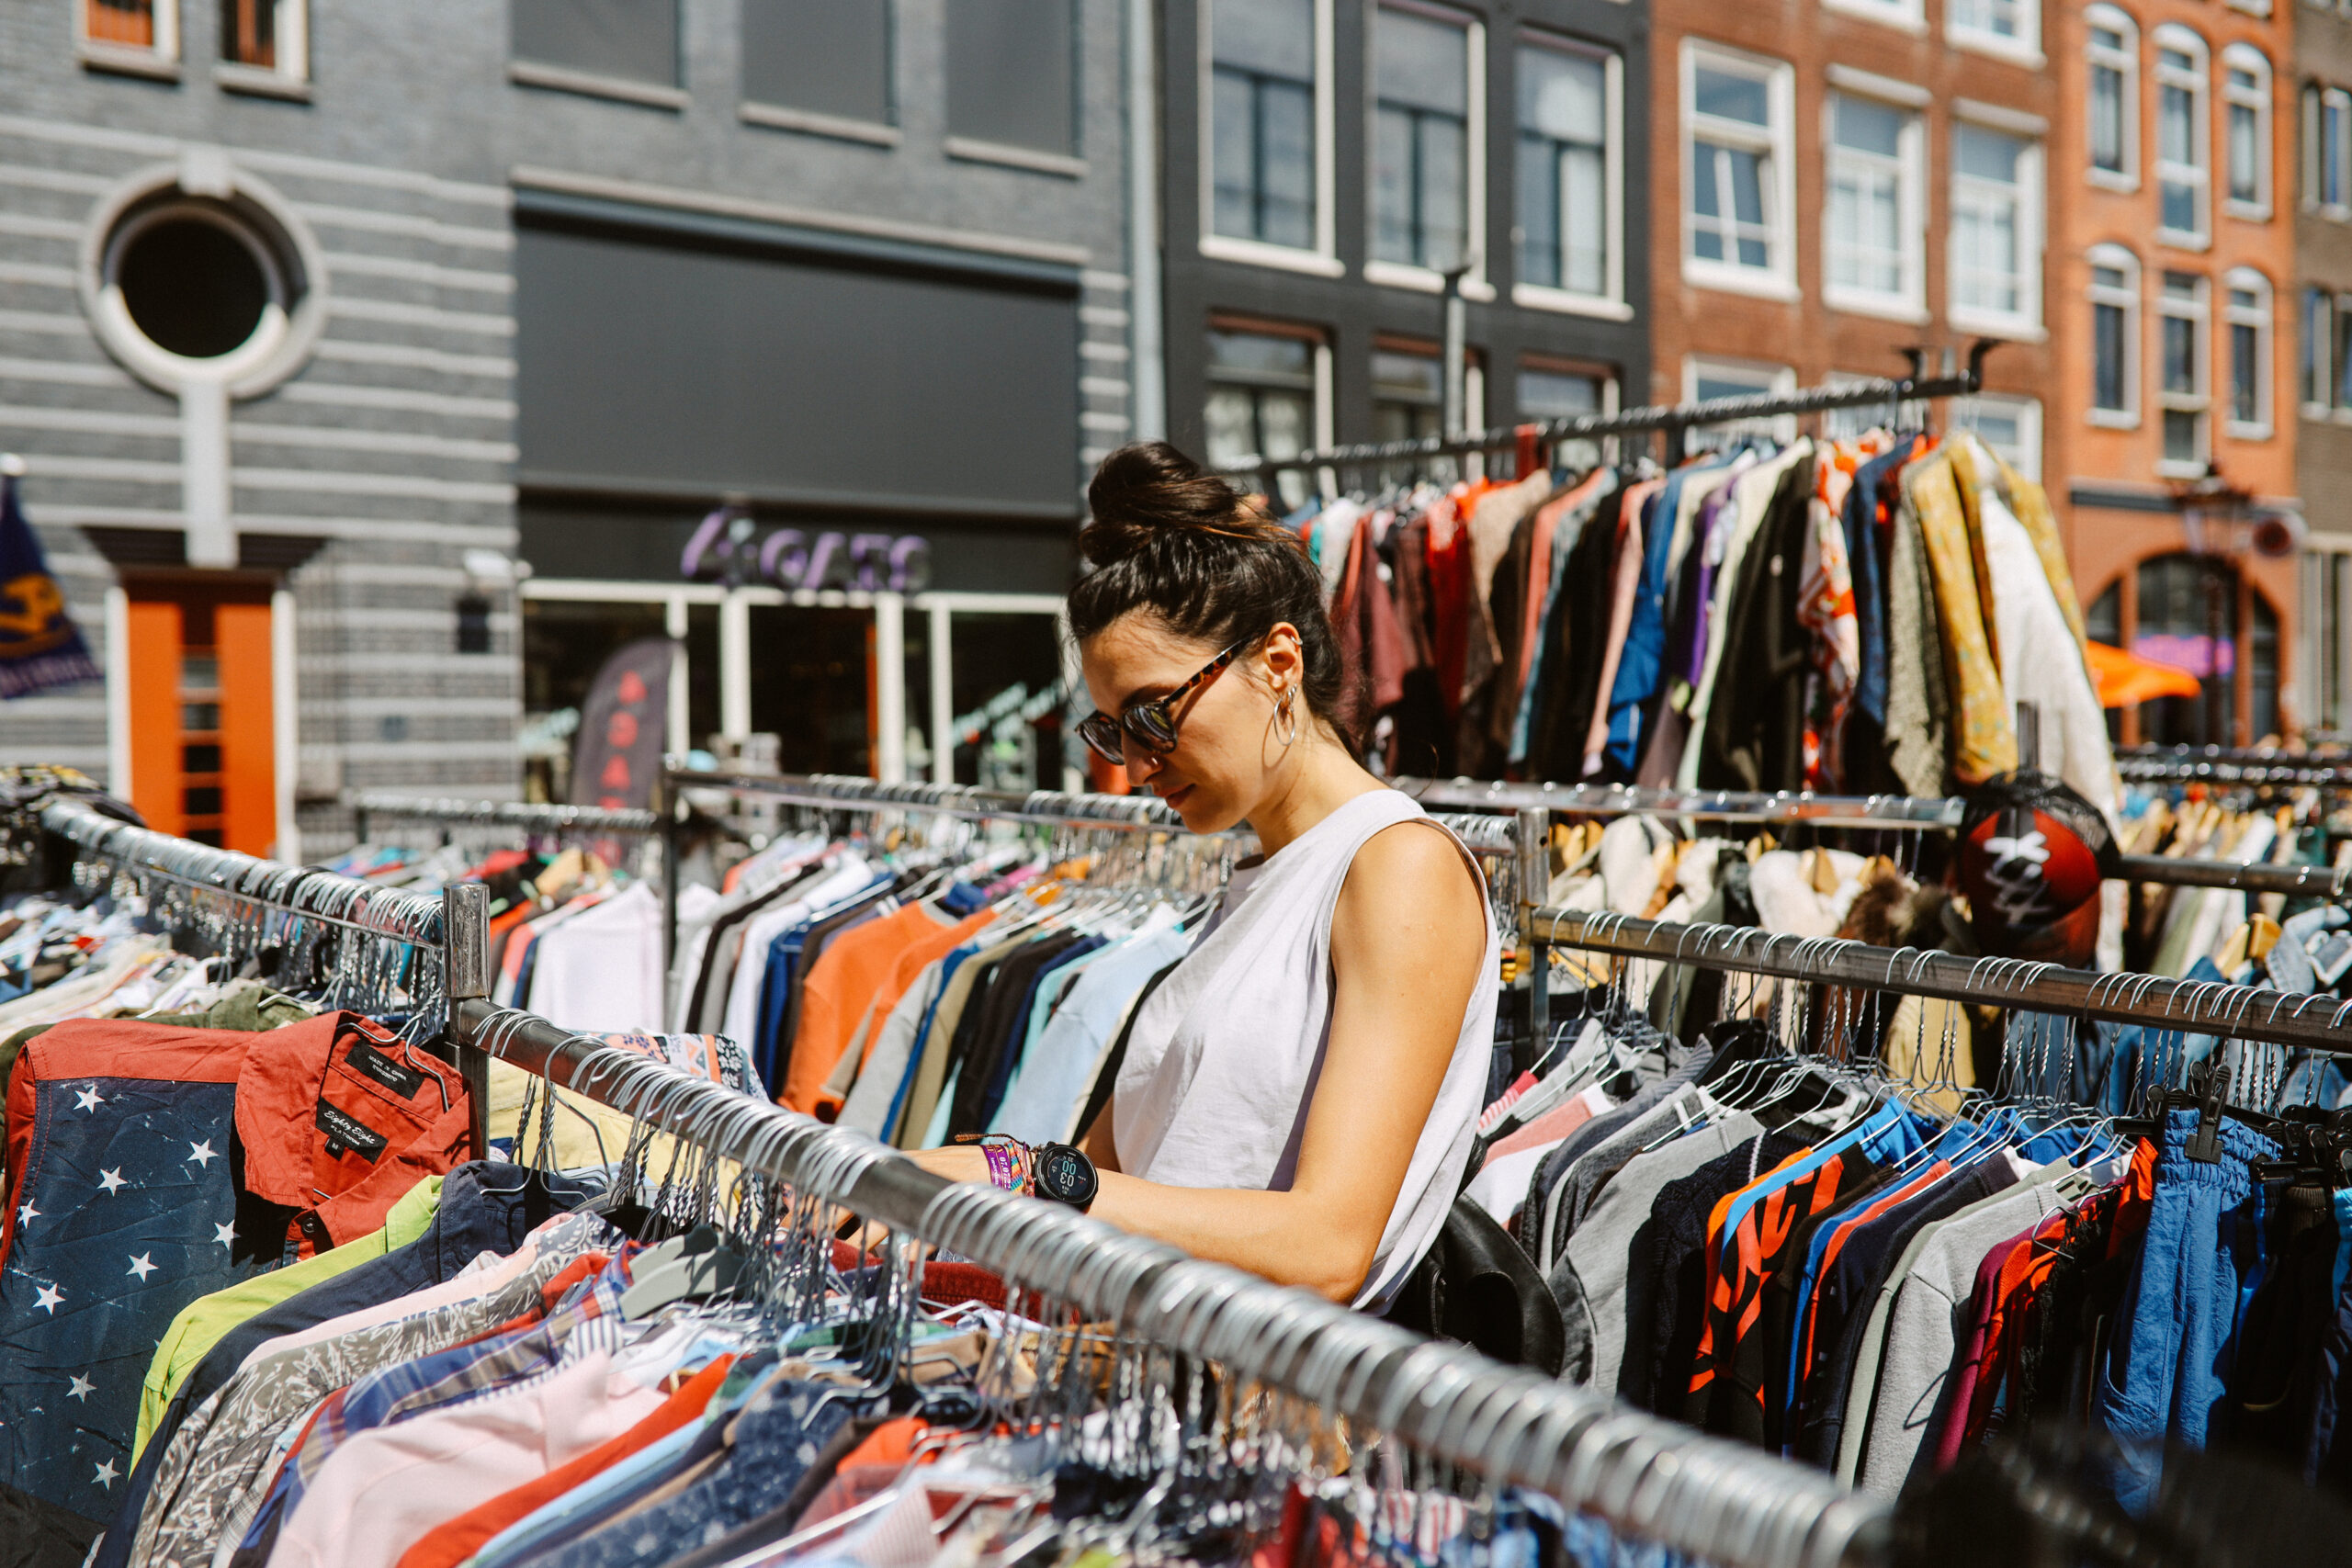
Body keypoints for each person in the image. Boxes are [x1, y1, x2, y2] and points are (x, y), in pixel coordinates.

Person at [909, 442, 1498, 1311]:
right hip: (1142, 1390)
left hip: (1270, 1422)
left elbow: (1327, 1244)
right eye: (1113, 731)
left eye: (1153, 713)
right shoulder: (1258, 881)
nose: (1138, 762)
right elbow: (1121, 1175)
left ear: (1279, 663)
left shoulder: (1397, 867)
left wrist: (1021, 1173)